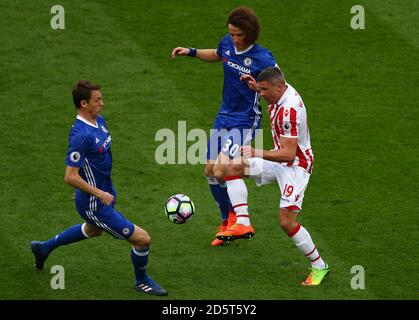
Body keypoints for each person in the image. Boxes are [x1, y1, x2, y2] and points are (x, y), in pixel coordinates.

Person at [30, 80, 168, 296]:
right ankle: (142, 281)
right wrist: (97, 193)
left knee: (93, 230)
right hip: (96, 202)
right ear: (83, 103)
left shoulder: (99, 121)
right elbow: (69, 176)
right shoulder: (81, 136)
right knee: (142, 239)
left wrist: (101, 190)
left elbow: (92, 165)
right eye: (97, 100)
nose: (102, 103)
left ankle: (44, 247)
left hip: (104, 194)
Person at [171, 7, 278, 246]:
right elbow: (219, 54)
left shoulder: (263, 59)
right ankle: (226, 221)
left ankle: (271, 169)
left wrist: (256, 88)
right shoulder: (227, 44)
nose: (235, 39)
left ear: (250, 33)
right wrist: (191, 52)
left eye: (239, 34)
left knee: (221, 170)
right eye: (231, 34)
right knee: (209, 170)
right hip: (224, 116)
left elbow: (279, 87)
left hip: (246, 119)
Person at [215, 67, 330, 286]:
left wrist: (257, 152)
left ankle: (319, 266)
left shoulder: (290, 111)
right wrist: (256, 86)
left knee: (286, 222)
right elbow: (269, 86)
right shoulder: (279, 89)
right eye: (261, 90)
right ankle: (243, 222)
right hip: (278, 159)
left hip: (296, 166)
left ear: (279, 87)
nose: (262, 95)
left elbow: (289, 153)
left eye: (265, 90)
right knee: (231, 168)